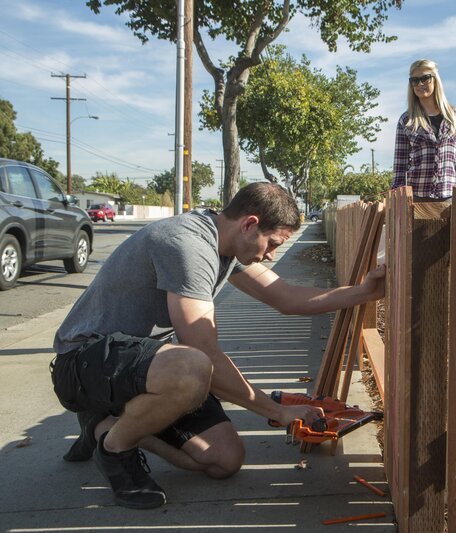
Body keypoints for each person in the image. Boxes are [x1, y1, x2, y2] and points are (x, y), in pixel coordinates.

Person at [50, 183, 385, 510]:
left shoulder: (225, 244)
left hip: (140, 366)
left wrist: (365, 292)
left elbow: (286, 297)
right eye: (272, 243)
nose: (271, 254)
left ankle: (105, 426)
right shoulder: (188, 246)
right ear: (250, 224)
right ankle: (115, 449)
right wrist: (277, 411)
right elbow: (204, 353)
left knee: (225, 460)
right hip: (84, 362)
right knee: (193, 367)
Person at [392, 59, 456, 200]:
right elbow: (400, 166)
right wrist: (396, 197)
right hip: (417, 197)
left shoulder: (454, 116)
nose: (420, 84)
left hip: (449, 196)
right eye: (415, 80)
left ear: (435, 80)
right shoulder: (406, 120)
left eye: (425, 78)